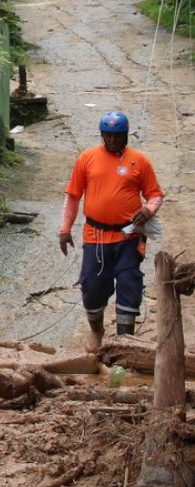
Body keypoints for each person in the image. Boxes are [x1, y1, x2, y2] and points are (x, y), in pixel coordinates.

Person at [58, 111, 164, 352]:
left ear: (125, 136)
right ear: (102, 135)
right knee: (92, 287)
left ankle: (123, 344)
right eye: (108, 136)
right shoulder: (87, 158)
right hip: (95, 237)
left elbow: (155, 194)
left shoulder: (140, 161)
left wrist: (148, 210)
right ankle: (97, 332)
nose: (113, 140)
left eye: (118, 136)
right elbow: (73, 196)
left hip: (129, 237)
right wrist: (64, 230)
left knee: (129, 284)